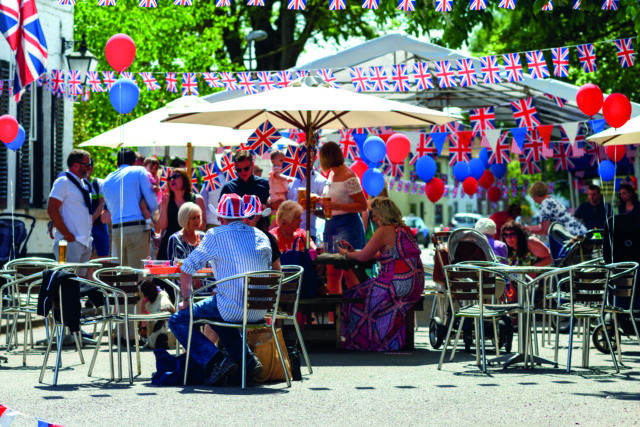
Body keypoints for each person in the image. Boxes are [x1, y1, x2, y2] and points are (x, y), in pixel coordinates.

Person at [168, 193, 271, 386]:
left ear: (221, 218)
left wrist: (185, 299)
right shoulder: (261, 236)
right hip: (259, 310)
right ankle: (246, 359)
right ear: (243, 215)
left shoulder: (215, 234)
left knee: (177, 320)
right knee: (218, 311)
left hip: (231, 306)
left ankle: (215, 360)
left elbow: (186, 268)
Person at [337, 197, 424, 351]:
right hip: (415, 283)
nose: (374, 219)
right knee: (364, 290)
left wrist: (346, 254)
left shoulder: (385, 230)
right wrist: (355, 253)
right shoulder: (404, 229)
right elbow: (388, 254)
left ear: (384, 215)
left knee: (352, 295)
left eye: (376, 215)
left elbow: (363, 256)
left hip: (396, 283)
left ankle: (364, 339)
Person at [319, 141, 367, 293]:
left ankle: (353, 314)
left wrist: (339, 207)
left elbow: (363, 205)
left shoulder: (348, 175)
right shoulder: (332, 174)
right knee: (332, 273)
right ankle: (335, 316)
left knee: (349, 272)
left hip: (347, 224)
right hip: (331, 224)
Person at [103, 148, 158, 269]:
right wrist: (150, 213)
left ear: (117, 163)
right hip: (137, 228)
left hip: (117, 229)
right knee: (139, 275)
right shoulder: (139, 171)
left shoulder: (107, 180)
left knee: (123, 277)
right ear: (134, 162)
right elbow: (153, 202)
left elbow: (110, 208)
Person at [47, 149, 94, 272]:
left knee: (80, 283)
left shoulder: (83, 183)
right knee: (67, 281)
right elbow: (52, 209)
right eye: (87, 164)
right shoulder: (64, 181)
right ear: (75, 165)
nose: (90, 167)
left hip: (84, 242)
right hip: (68, 242)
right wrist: (67, 234)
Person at [157, 168, 207, 260]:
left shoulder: (197, 199)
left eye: (175, 177)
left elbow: (202, 225)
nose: (172, 180)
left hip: (191, 244)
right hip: (170, 244)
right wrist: (164, 205)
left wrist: (188, 227)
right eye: (169, 178)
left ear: (184, 178)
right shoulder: (166, 200)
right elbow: (162, 225)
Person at [286, 147, 328, 244]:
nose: (305, 161)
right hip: (287, 233)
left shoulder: (321, 181)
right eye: (302, 157)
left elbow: (329, 214)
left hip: (308, 234)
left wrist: (313, 210)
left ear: (315, 157)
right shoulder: (289, 179)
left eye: (308, 158)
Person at [220, 150, 270, 229]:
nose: (243, 172)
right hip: (236, 232)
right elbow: (221, 216)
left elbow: (273, 210)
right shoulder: (228, 187)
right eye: (239, 170)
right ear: (235, 169)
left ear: (252, 165)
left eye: (246, 168)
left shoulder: (265, 184)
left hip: (260, 231)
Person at [242, 195, 281, 271]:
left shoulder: (268, 238)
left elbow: (276, 270)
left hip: (262, 282)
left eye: (250, 216)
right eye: (242, 216)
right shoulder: (232, 236)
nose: (245, 220)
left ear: (258, 217)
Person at [86, 162, 109, 258]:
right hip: (84, 227)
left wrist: (92, 219)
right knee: (87, 255)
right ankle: (89, 273)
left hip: (99, 225)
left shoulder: (98, 183)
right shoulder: (78, 184)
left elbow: (101, 203)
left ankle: (102, 273)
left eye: (88, 168)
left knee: (103, 256)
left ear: (91, 169)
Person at [139, 157, 162, 230]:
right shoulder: (144, 174)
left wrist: (156, 188)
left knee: (142, 206)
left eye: (156, 169)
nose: (153, 170)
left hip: (149, 197)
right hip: (146, 196)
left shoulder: (154, 177)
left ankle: (149, 223)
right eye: (151, 167)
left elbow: (157, 186)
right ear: (144, 167)